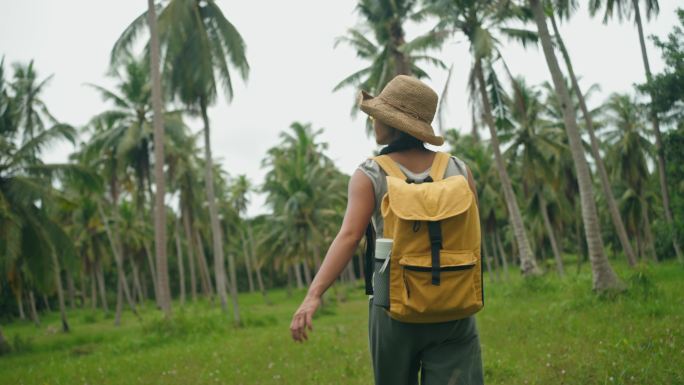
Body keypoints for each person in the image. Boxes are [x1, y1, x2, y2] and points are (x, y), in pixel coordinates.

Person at [289, 75, 484, 385]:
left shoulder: (370, 173)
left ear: (393, 124)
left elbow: (349, 237)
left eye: (377, 116)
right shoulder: (458, 169)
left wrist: (313, 295)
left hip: (392, 306)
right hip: (454, 306)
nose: (372, 121)